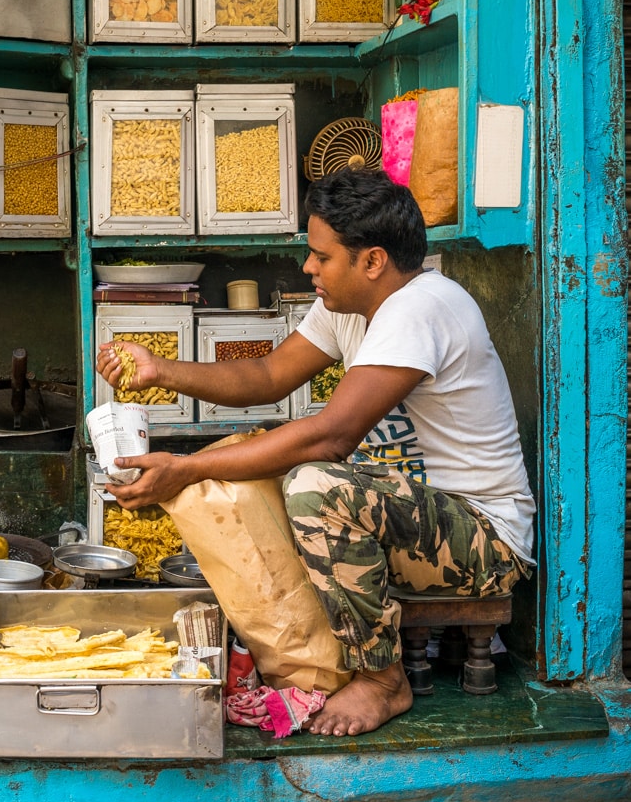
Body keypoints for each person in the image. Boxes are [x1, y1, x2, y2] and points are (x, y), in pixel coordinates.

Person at [96, 168, 535, 737]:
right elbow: (269, 374)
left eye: (320, 256)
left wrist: (184, 469)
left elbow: (332, 437)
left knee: (313, 484)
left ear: (371, 261)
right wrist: (162, 371)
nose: (309, 268)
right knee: (259, 464)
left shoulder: (421, 308)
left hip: (485, 541)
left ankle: (383, 680)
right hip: (419, 519)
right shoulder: (348, 306)